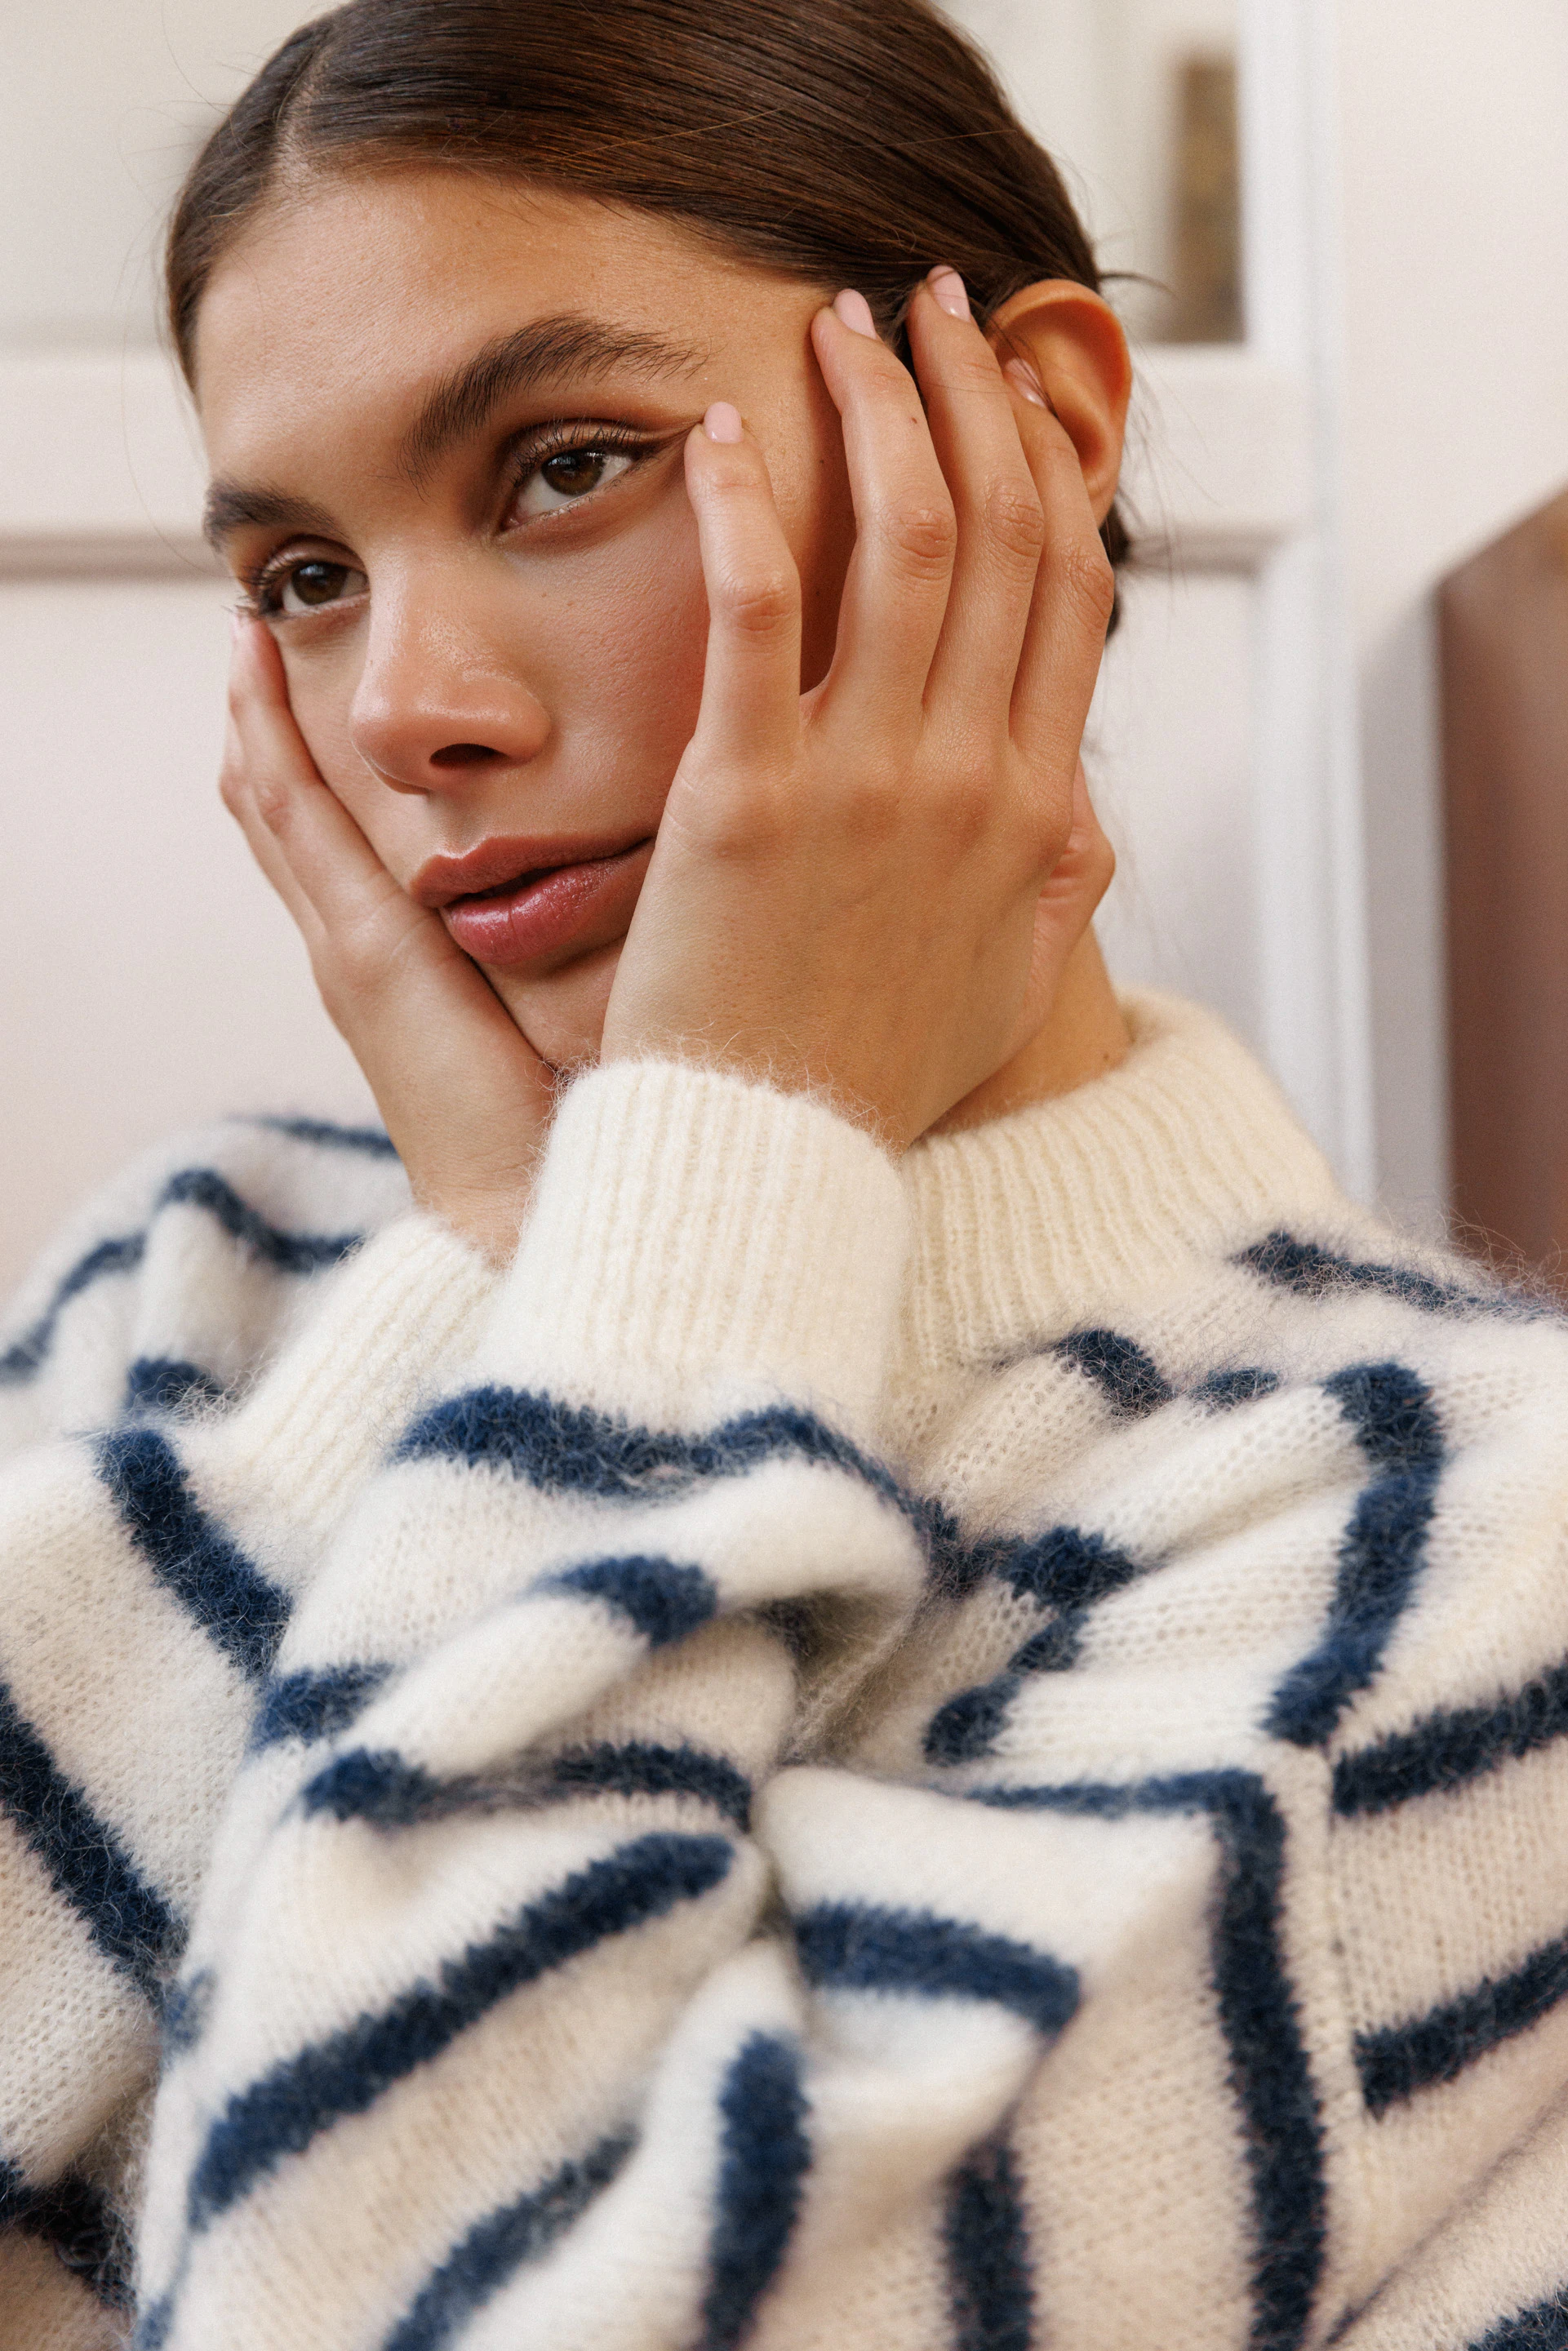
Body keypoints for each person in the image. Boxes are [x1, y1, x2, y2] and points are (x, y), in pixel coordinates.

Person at [3, 2, 1567, 2346]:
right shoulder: (211, 1271)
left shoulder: (1445, 1518)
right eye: (307, 574)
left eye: (562, 467)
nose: (408, 706)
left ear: (1032, 431)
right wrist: (508, 1268)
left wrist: (670, 1224)